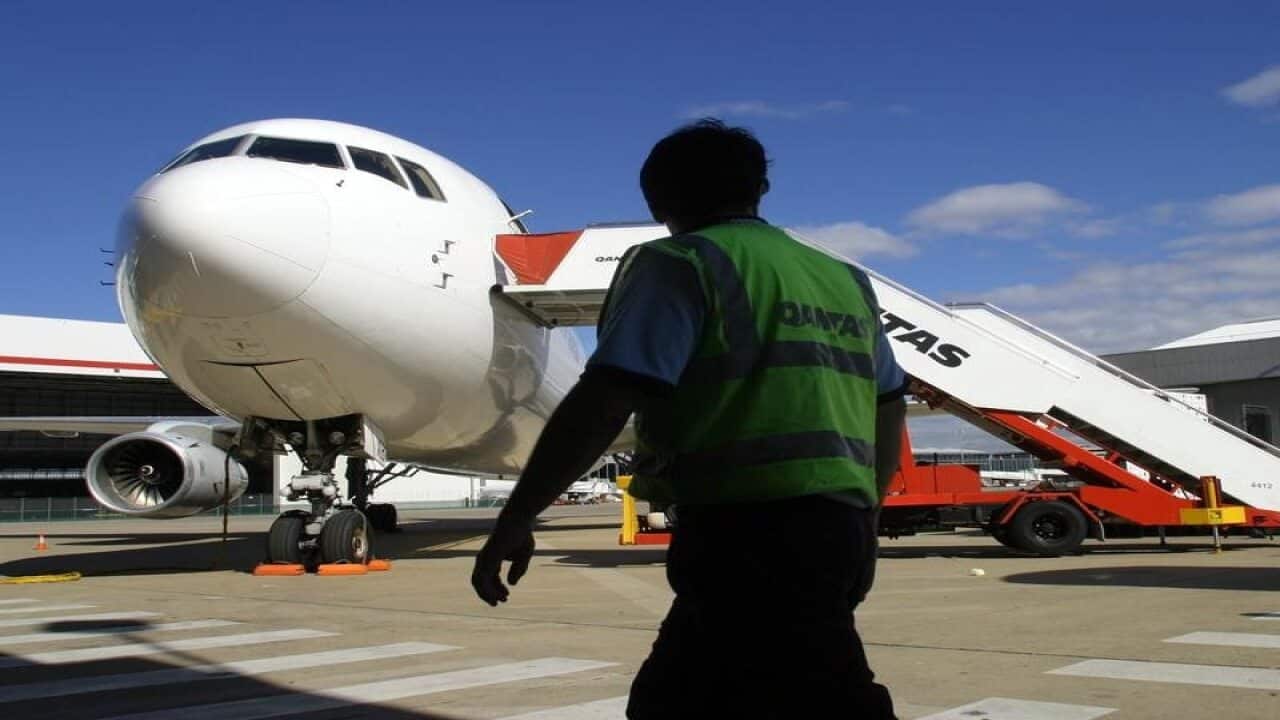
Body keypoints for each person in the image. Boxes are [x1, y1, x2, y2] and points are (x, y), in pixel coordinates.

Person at [472, 119, 907, 719]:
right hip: (837, 527)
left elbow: (609, 393)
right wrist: (868, 512)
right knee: (715, 693)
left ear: (656, 200)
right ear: (760, 189)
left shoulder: (678, 262)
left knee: (815, 695)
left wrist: (518, 514)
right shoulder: (845, 279)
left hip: (749, 532)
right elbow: (889, 405)